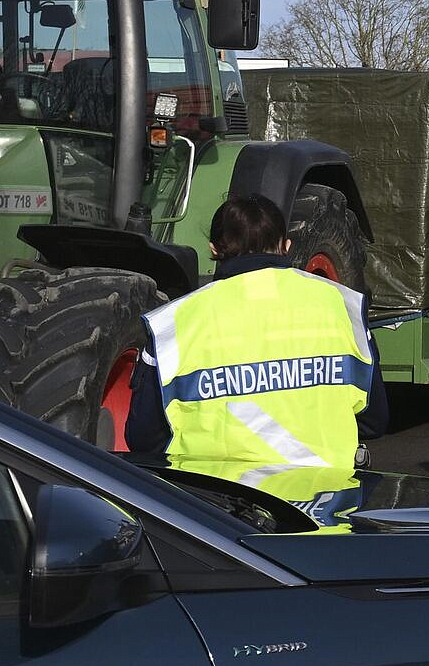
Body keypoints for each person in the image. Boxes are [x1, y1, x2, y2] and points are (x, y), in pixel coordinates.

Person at [126, 193, 388, 466]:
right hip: (324, 497)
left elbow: (143, 437)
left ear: (214, 249)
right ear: (286, 246)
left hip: (215, 501)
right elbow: (373, 420)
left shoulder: (174, 322)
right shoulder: (341, 306)